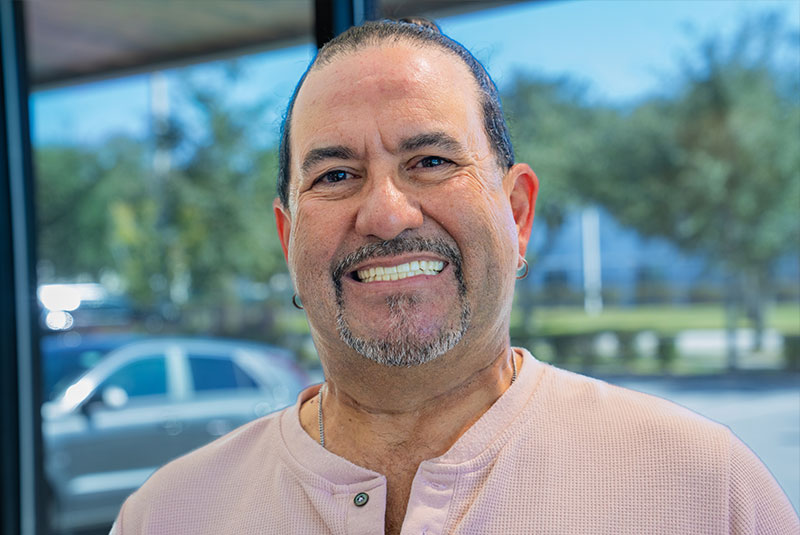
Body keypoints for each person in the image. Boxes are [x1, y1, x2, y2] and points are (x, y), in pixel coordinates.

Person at [110, 19, 798, 535]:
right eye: (336, 175)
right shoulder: (168, 514)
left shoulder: (703, 489)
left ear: (518, 212)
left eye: (432, 161)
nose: (384, 213)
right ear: (289, 238)